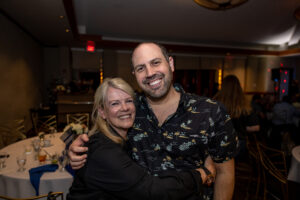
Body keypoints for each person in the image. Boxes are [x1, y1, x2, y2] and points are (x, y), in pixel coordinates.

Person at [69, 42, 238, 200]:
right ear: (135, 75)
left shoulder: (210, 111)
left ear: (170, 64)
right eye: (141, 68)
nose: (150, 73)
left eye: (156, 62)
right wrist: (77, 147)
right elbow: (104, 136)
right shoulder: (130, 111)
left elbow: (225, 173)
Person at [67, 77, 215, 200]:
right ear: (102, 112)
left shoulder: (125, 136)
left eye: (128, 101)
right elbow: (152, 191)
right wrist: (200, 174)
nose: (124, 108)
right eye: (114, 103)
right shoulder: (104, 151)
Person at [213, 75, 260, 159]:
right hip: (239, 144)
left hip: (219, 143)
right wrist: (240, 127)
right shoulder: (245, 105)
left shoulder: (215, 103)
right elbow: (256, 127)